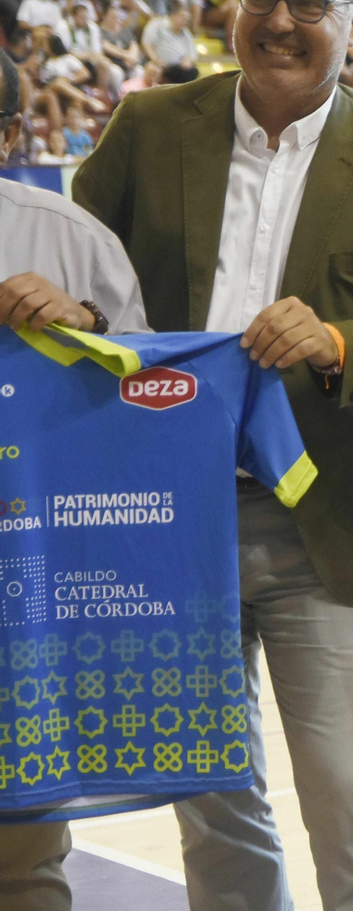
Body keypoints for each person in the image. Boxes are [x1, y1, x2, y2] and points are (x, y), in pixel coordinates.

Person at [73, 0, 353, 910]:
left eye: (307, 3)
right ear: (233, 2)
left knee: (347, 787)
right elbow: (74, 274)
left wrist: (336, 342)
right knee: (208, 788)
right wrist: (41, 295)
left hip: (320, 518)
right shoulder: (150, 126)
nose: (279, 22)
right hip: (164, 521)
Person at [0, 46, 150, 911]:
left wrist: (87, 323)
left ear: (14, 134)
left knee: (23, 860)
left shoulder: (69, 239)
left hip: (27, 598)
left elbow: (157, 389)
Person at [139, 1, 197, 82]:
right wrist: (155, 60)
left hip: (180, 67)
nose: (185, 21)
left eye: (187, 19)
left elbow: (192, 54)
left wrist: (188, 61)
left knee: (193, 71)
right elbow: (147, 44)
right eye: (183, 18)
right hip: (160, 64)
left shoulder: (187, 34)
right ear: (174, 15)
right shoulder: (157, 24)